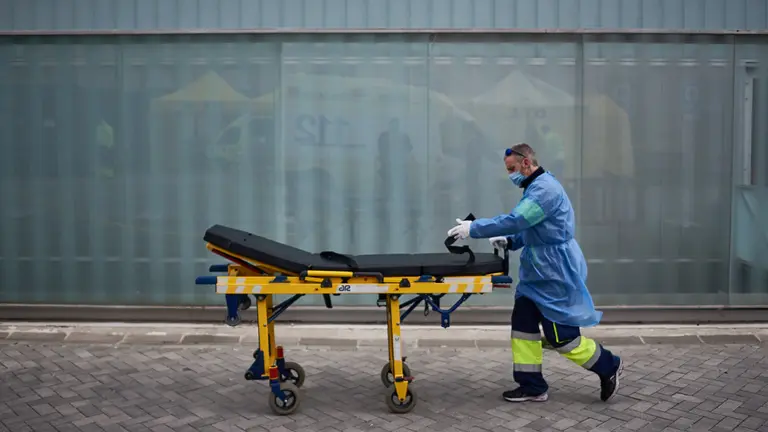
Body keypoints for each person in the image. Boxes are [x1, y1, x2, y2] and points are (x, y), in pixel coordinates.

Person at [447, 143, 623, 404]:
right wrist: (510, 241)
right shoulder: (534, 186)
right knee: (523, 327)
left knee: (562, 337)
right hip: (537, 274)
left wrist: (475, 228)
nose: (510, 175)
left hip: (555, 273)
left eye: (512, 169)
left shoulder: (544, 191)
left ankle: (609, 366)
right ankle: (531, 386)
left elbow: (517, 220)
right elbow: (530, 227)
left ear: (526, 163)